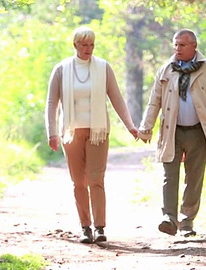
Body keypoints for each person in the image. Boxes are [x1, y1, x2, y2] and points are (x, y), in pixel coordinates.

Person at [45, 26, 138, 244]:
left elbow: (117, 99)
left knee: (96, 179)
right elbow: (52, 103)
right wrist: (52, 133)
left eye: (92, 45)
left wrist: (130, 126)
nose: (89, 49)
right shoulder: (62, 69)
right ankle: (84, 227)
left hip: (98, 131)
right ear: (75, 45)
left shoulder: (103, 68)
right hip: (72, 131)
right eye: (84, 45)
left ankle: (99, 227)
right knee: (79, 182)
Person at [138, 29, 206, 237]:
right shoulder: (166, 70)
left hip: (199, 131)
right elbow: (155, 100)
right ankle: (169, 218)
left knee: (194, 177)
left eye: (182, 45)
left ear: (194, 46)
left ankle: (187, 221)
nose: (177, 49)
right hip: (172, 131)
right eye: (175, 45)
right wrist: (146, 126)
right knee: (170, 175)